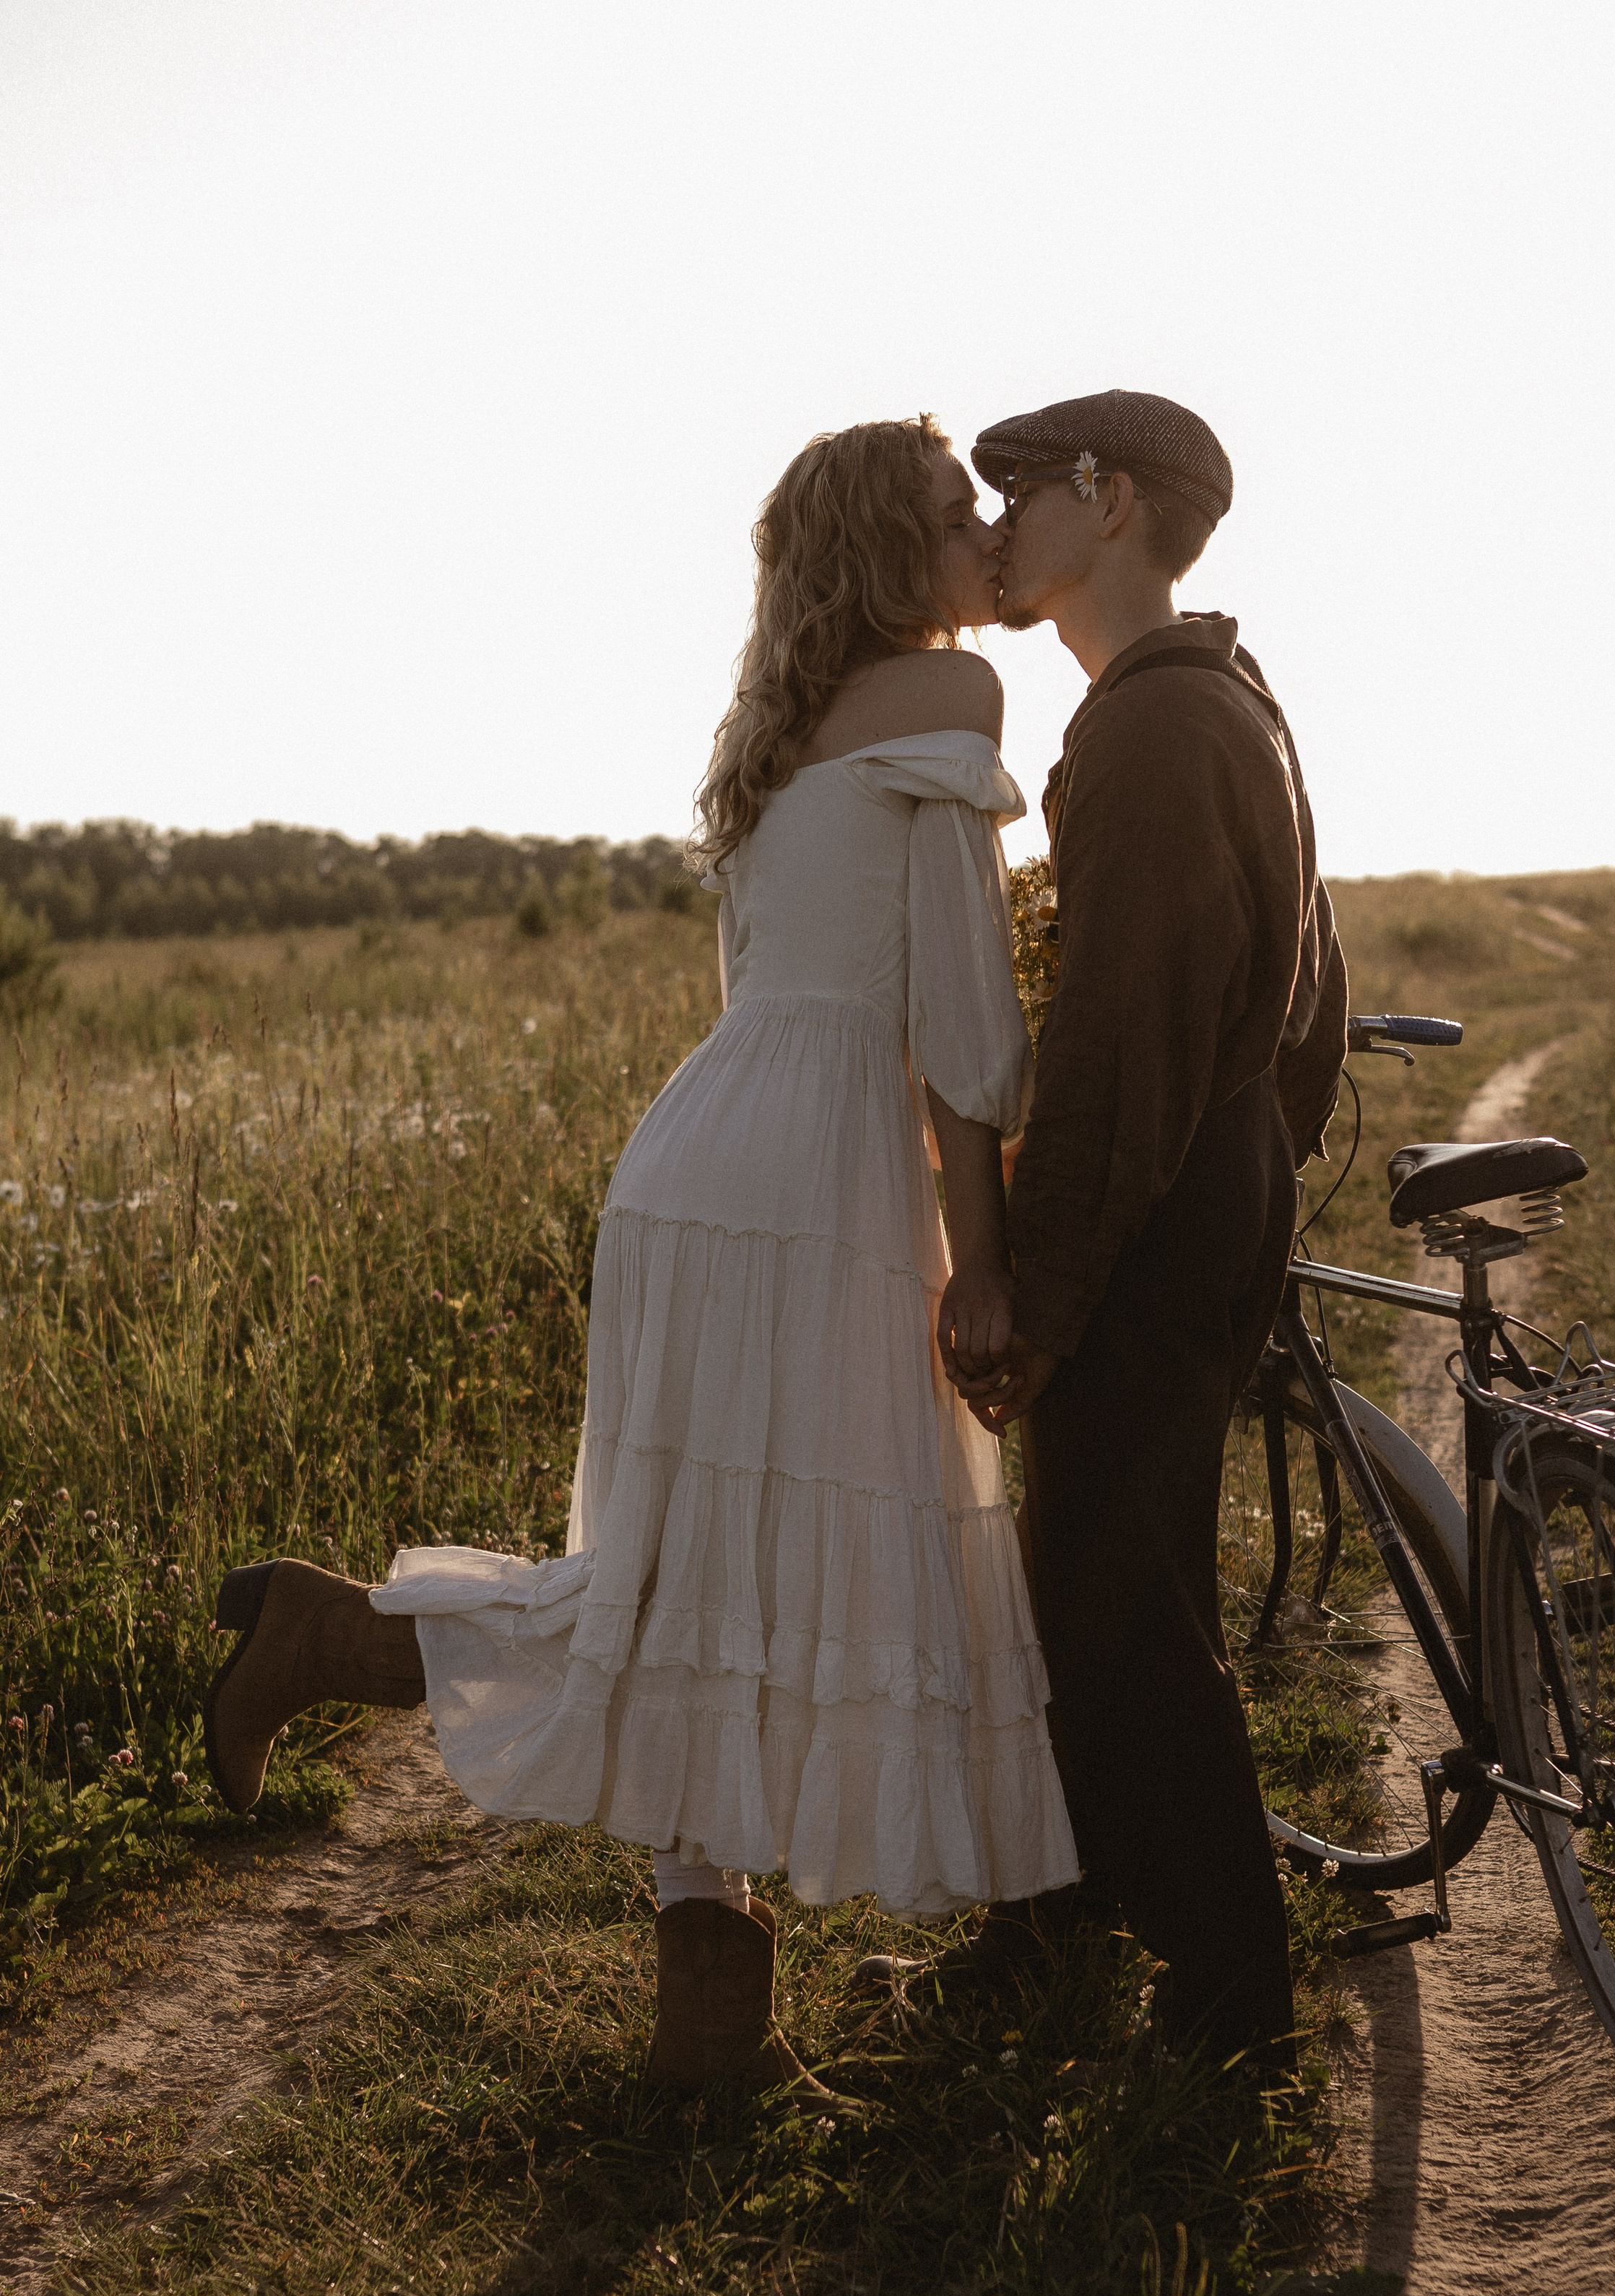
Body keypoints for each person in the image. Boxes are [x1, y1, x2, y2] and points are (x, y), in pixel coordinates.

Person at [202, 415, 1078, 2092]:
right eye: (951, 508)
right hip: (812, 1177)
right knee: (743, 1579)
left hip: (699, 1160)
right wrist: (981, 1259)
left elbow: (783, 988)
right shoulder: (951, 701)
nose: (983, 527)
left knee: (685, 1577)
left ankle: (702, 2025)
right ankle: (328, 1642)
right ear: (887, 550)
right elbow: (960, 1029)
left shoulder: (767, 729)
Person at [947, 388, 1347, 2073]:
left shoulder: (1152, 730)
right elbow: (1308, 987)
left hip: (1168, 1193)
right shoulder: (1217, 697)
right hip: (1216, 1171)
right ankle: (1074, 1907)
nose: (996, 527)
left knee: (1120, 1599)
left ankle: (1229, 1998)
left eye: (1021, 493)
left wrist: (1038, 1292)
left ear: (1106, 503)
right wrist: (1259, 1152)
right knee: (1108, 1567)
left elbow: (1116, 1042)